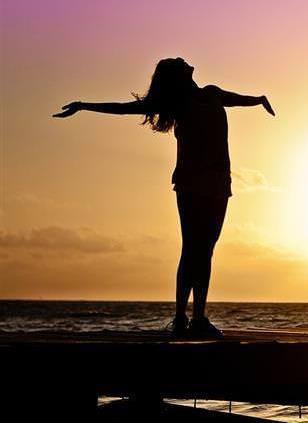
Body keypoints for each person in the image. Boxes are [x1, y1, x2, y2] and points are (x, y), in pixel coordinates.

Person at [53, 57, 275, 338]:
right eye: (179, 63)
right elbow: (124, 109)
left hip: (219, 184)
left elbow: (239, 100)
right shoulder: (177, 103)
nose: (186, 61)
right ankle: (182, 317)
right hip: (191, 183)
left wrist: (259, 99)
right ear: (178, 76)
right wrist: (84, 106)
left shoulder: (212, 93)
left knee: (205, 250)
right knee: (192, 247)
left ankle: (198, 318)